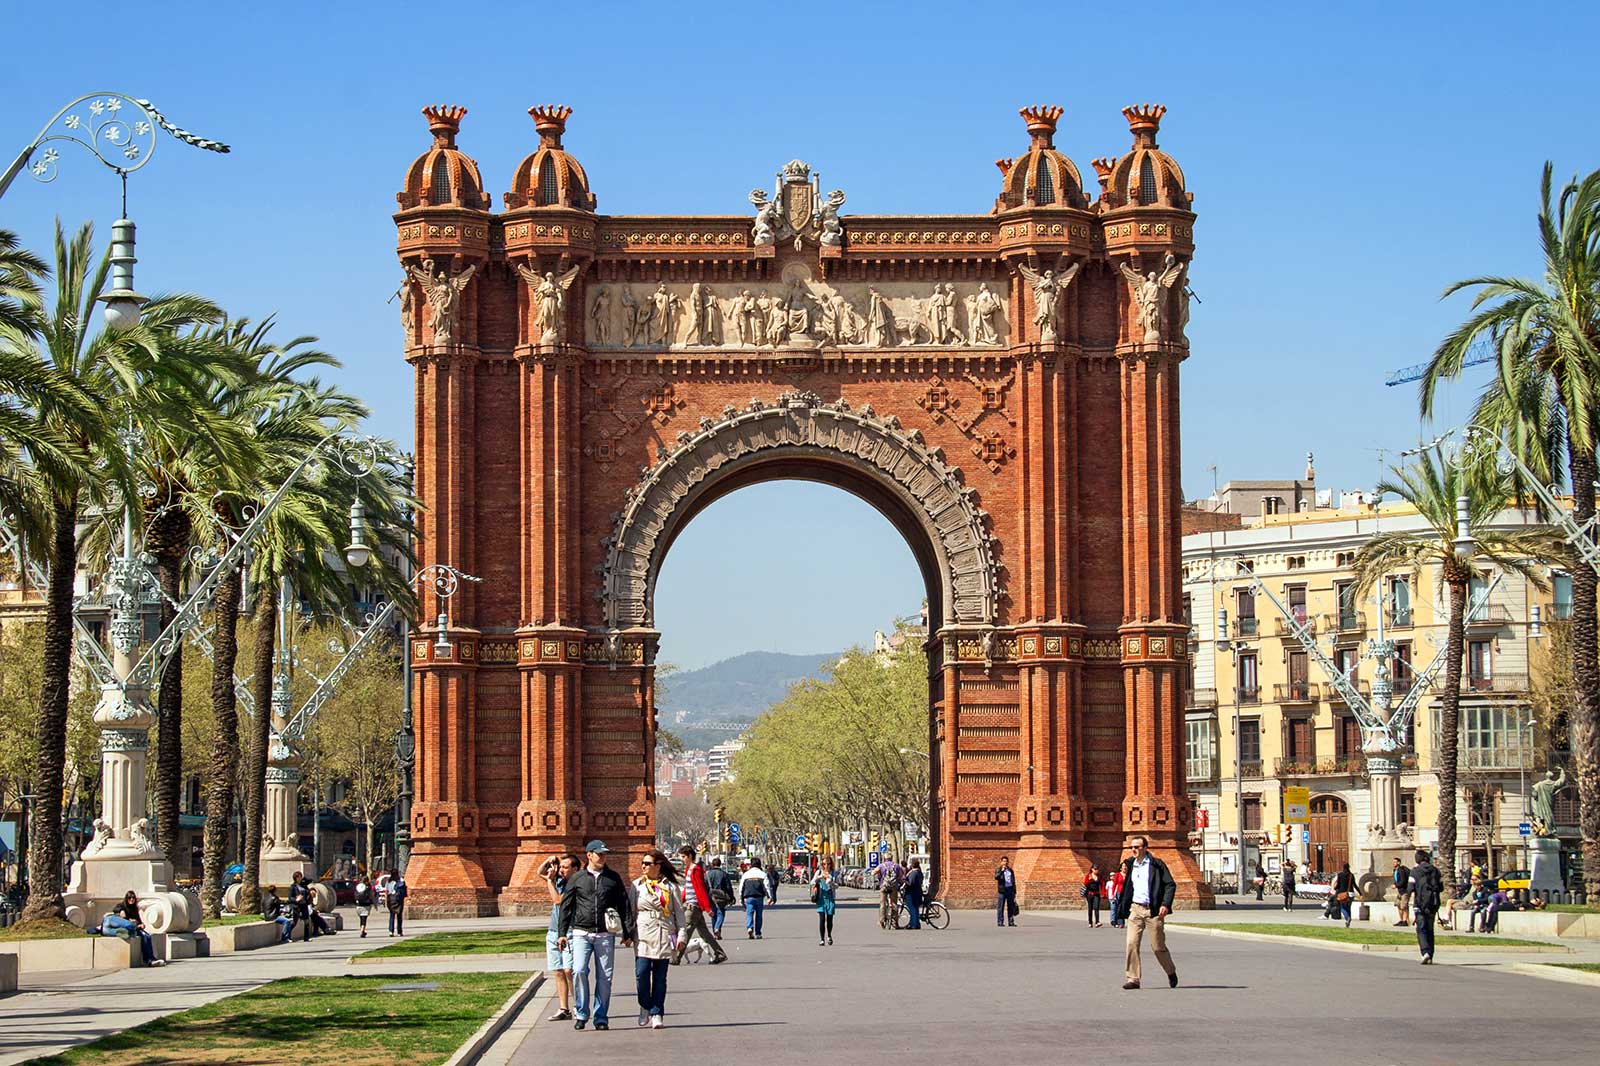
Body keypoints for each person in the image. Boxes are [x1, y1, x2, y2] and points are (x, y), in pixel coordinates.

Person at [557, 839, 637, 1031]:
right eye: (599, 853)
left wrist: (628, 932)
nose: (602, 857)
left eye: (604, 854)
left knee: (605, 977)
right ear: (589, 855)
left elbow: (624, 905)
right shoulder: (578, 879)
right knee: (579, 970)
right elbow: (566, 907)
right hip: (581, 933)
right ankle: (582, 1012)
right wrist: (562, 933)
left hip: (604, 934)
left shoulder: (613, 878)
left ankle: (601, 1017)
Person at [1114, 836, 1177, 990]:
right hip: (1135, 909)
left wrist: (1165, 904)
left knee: (1157, 947)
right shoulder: (1129, 864)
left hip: (1153, 910)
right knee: (1131, 943)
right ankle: (1133, 979)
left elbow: (1170, 885)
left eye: (1136, 847)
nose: (1133, 850)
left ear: (1145, 848)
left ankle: (1171, 972)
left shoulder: (1156, 865)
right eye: (1131, 847)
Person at [631, 850, 682, 1029]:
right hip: (643, 933)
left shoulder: (671, 887)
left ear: (658, 866)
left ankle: (657, 1012)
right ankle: (645, 1005)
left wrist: (681, 935)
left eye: (647, 863)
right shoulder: (637, 885)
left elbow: (679, 914)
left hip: (664, 932)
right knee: (642, 973)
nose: (644, 866)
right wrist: (628, 934)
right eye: (643, 863)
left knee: (660, 978)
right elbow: (631, 912)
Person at [674, 846, 727, 964]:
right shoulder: (688, 870)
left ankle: (677, 957)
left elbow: (700, 890)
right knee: (704, 933)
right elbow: (687, 890)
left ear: (690, 856)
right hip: (691, 904)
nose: (682, 859)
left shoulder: (696, 870)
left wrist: (707, 908)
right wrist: (679, 901)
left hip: (694, 907)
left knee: (686, 931)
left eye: (683, 857)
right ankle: (720, 953)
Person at [543, 853, 579, 1021]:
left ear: (575, 869)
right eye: (561, 867)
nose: (562, 870)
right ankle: (564, 1008)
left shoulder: (576, 885)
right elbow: (539, 872)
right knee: (558, 972)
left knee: (569, 970)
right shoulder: (559, 881)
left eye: (566, 867)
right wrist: (550, 861)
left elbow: (558, 901)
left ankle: (579, 1005)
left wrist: (550, 881)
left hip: (569, 931)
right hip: (553, 931)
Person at [102, 890, 164, 966]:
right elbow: (115, 909)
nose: (131, 899)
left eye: (133, 898)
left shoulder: (134, 908)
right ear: (126, 899)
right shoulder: (122, 905)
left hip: (136, 928)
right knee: (144, 936)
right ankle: (147, 959)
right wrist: (121, 911)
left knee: (148, 936)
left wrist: (141, 924)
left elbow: (139, 920)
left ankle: (151, 958)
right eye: (129, 898)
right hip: (129, 928)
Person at [1410, 849, 1444, 964]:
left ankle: (1425, 952)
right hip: (1433, 903)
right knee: (1430, 929)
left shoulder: (1414, 872)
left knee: (1421, 928)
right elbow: (1441, 887)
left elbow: (1410, 888)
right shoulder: (1436, 871)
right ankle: (1431, 954)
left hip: (1419, 904)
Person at [739, 856, 774, 939]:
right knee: (759, 915)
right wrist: (770, 897)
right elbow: (767, 886)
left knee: (749, 913)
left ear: (751, 864)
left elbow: (741, 887)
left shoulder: (746, 874)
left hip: (749, 897)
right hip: (759, 897)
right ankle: (758, 933)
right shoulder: (763, 874)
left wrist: (741, 898)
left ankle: (750, 927)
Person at [705, 857, 734, 938]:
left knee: (713, 914)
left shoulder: (707, 874)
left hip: (711, 896)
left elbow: (704, 886)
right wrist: (731, 897)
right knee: (721, 913)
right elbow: (728, 887)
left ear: (712, 864)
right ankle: (717, 929)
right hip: (721, 896)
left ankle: (715, 932)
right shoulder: (724, 874)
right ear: (720, 864)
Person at [812, 857, 838, 946]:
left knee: (829, 919)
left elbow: (837, 886)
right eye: (824, 864)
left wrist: (831, 882)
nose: (826, 866)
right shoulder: (819, 872)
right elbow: (812, 882)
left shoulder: (833, 873)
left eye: (828, 864)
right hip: (821, 898)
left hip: (830, 898)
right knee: (822, 919)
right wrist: (819, 877)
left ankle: (829, 936)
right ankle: (822, 939)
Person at [876, 855, 905, 929]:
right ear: (892, 858)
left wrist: (879, 876)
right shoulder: (897, 866)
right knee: (894, 904)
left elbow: (873, 872)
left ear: (884, 859)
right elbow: (901, 876)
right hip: (894, 887)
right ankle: (895, 922)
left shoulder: (881, 865)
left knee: (882, 903)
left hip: (884, 886)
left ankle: (882, 921)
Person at [1331, 861, 1358, 928]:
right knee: (1348, 907)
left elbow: (1339, 884)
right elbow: (1354, 885)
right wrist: (1360, 893)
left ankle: (1347, 918)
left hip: (1342, 894)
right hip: (1350, 894)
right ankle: (1348, 920)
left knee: (1342, 907)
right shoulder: (1351, 875)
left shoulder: (1340, 875)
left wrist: (1335, 888)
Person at [995, 855, 1018, 927]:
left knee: (1010, 907)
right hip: (1002, 891)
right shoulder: (998, 870)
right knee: (1000, 907)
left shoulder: (1010, 870)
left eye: (1006, 861)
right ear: (1001, 862)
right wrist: (1002, 871)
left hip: (1010, 890)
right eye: (1004, 861)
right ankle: (1000, 922)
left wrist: (1014, 891)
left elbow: (1013, 881)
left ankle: (1011, 922)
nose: (1005, 863)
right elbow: (996, 877)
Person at [904, 858, 925, 930]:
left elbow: (911, 883)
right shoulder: (919, 872)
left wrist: (905, 882)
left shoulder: (913, 873)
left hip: (911, 893)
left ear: (912, 865)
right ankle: (916, 923)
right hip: (918, 892)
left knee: (912, 908)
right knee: (915, 908)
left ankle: (914, 924)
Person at [387, 868, 408, 936]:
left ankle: (391, 931)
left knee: (392, 915)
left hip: (391, 899)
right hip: (399, 899)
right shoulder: (401, 880)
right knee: (399, 916)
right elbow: (404, 890)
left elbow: (386, 891)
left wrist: (386, 900)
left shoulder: (389, 881)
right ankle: (399, 931)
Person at [1392, 857, 1411, 926]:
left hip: (1404, 891)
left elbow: (1403, 881)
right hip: (1400, 891)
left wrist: (1396, 885)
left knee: (1404, 906)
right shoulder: (1395, 871)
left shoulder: (1401, 870)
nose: (1393, 863)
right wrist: (1395, 884)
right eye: (1393, 862)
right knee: (1398, 905)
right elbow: (1397, 880)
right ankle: (1401, 919)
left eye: (1395, 862)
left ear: (1399, 863)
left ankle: (1405, 920)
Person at [1106, 863, 1127, 928]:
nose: (1125, 867)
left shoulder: (1128, 875)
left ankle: (1122, 922)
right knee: (1119, 907)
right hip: (1119, 892)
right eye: (1123, 866)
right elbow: (1114, 885)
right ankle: (1120, 922)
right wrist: (1113, 894)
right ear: (1121, 868)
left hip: (1126, 893)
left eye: (1125, 866)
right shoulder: (1118, 874)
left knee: (1124, 907)